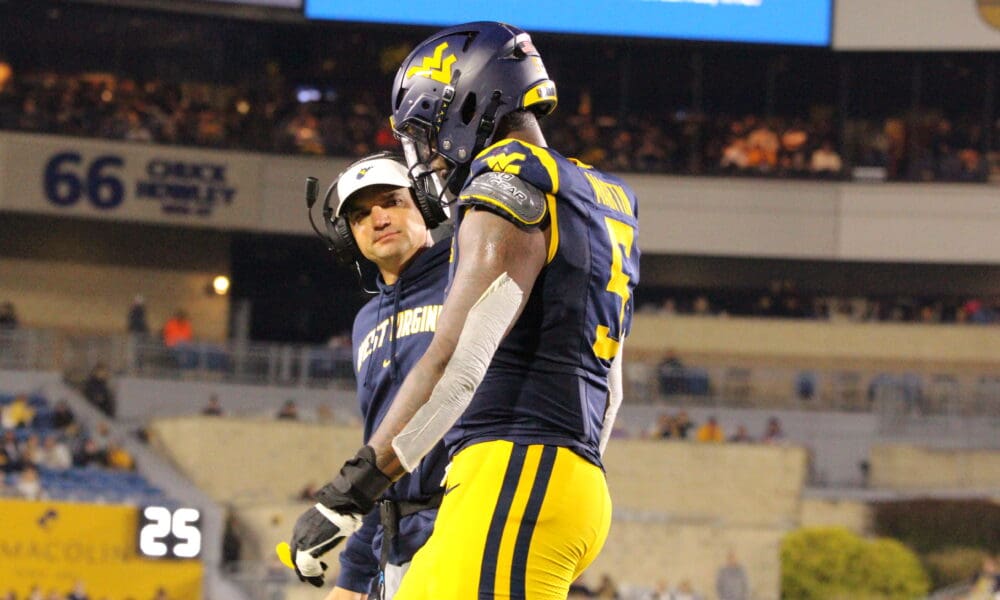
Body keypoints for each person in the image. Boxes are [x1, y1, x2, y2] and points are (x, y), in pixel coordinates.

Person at [287, 22, 640, 600]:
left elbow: (456, 362)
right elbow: (614, 387)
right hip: (562, 478)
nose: (427, 155)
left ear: (467, 101)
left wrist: (346, 495)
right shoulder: (603, 194)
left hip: (515, 470)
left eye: (424, 130)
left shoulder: (506, 182)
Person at [319, 154, 452, 600]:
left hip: (465, 527)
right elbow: (381, 447)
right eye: (359, 215)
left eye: (392, 201)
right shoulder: (365, 321)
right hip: (396, 551)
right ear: (348, 236)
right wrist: (353, 577)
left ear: (427, 206)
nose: (378, 219)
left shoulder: (468, 274)